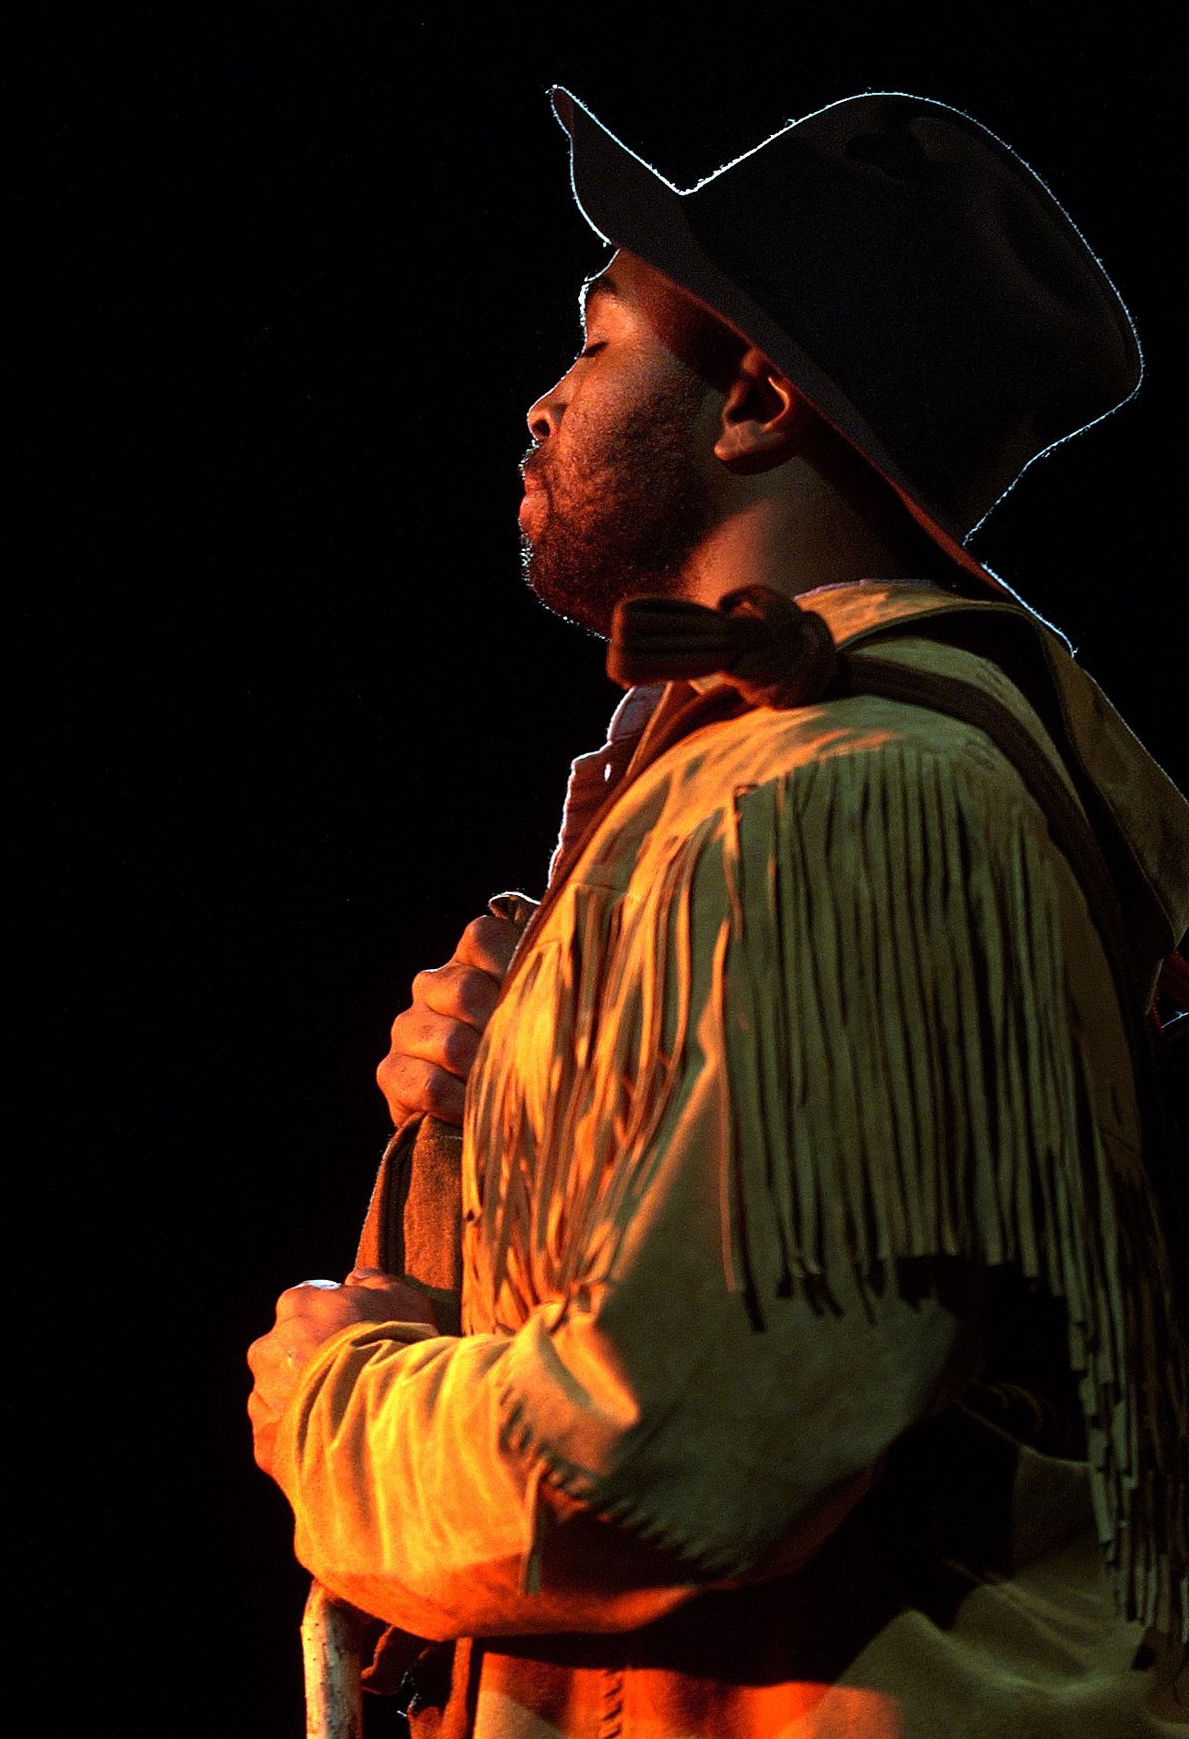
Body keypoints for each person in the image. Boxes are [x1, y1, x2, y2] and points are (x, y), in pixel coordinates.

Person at [248, 89, 1189, 1735]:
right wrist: (511, 1121)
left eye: (598, 340)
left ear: (753, 400)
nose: (544, 400)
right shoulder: (746, 796)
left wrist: (342, 1400)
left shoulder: (858, 798)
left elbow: (663, 1457)